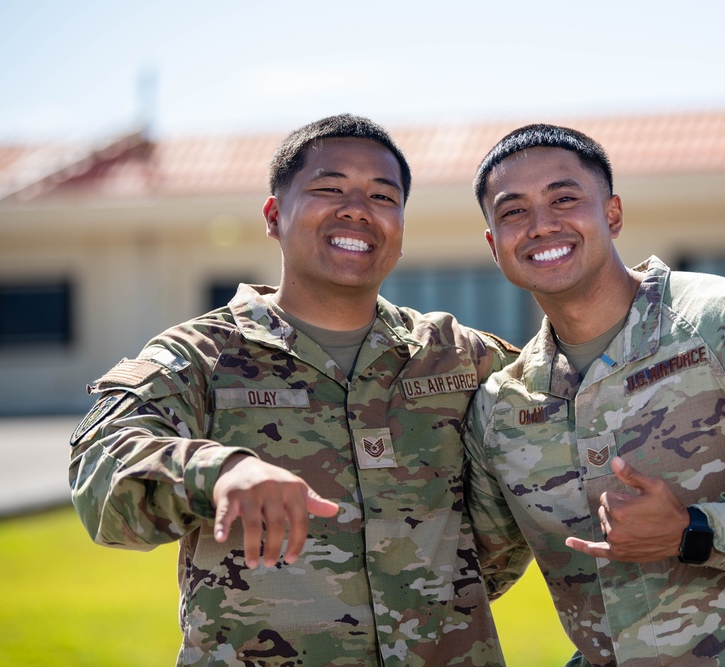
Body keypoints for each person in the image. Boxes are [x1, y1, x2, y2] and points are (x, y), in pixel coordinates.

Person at [69, 114, 519, 667]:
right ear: (274, 215)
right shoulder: (200, 356)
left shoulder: (457, 354)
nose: (357, 208)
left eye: (383, 196)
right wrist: (221, 471)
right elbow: (99, 479)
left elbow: (559, 420)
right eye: (330, 189)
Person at [464, 123, 725, 666]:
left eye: (564, 199)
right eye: (513, 212)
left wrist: (696, 530)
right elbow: (470, 571)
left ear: (613, 213)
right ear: (493, 244)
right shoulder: (503, 406)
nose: (542, 225)